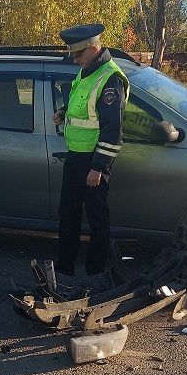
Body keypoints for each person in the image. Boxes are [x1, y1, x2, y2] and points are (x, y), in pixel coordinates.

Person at [52, 22, 128, 280]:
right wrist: (63, 113)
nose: (74, 60)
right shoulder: (87, 70)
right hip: (75, 156)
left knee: (97, 220)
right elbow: (82, 105)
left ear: (94, 48)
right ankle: (64, 269)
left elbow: (112, 130)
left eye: (78, 54)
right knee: (68, 213)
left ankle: (96, 273)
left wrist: (98, 166)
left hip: (94, 160)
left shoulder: (110, 78)